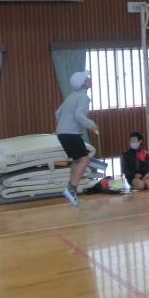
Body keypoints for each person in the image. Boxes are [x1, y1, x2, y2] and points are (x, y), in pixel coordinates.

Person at [55, 70, 98, 206]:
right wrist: (91, 125)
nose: (90, 79)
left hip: (62, 133)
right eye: (87, 79)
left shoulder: (71, 96)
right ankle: (71, 189)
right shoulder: (84, 98)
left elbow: (57, 113)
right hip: (71, 134)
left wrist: (64, 126)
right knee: (84, 159)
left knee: (77, 160)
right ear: (83, 83)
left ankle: (70, 188)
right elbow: (79, 115)